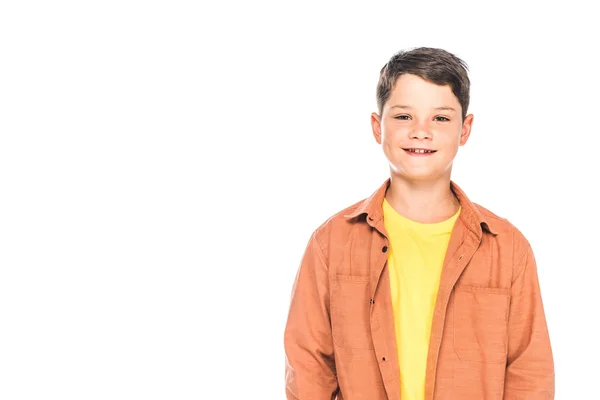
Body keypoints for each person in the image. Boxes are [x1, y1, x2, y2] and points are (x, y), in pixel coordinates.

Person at [283, 47, 554, 399]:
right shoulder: (331, 243)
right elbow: (309, 368)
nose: (421, 132)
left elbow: (528, 372)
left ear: (465, 129)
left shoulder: (507, 247)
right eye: (403, 117)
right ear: (378, 127)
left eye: (440, 118)